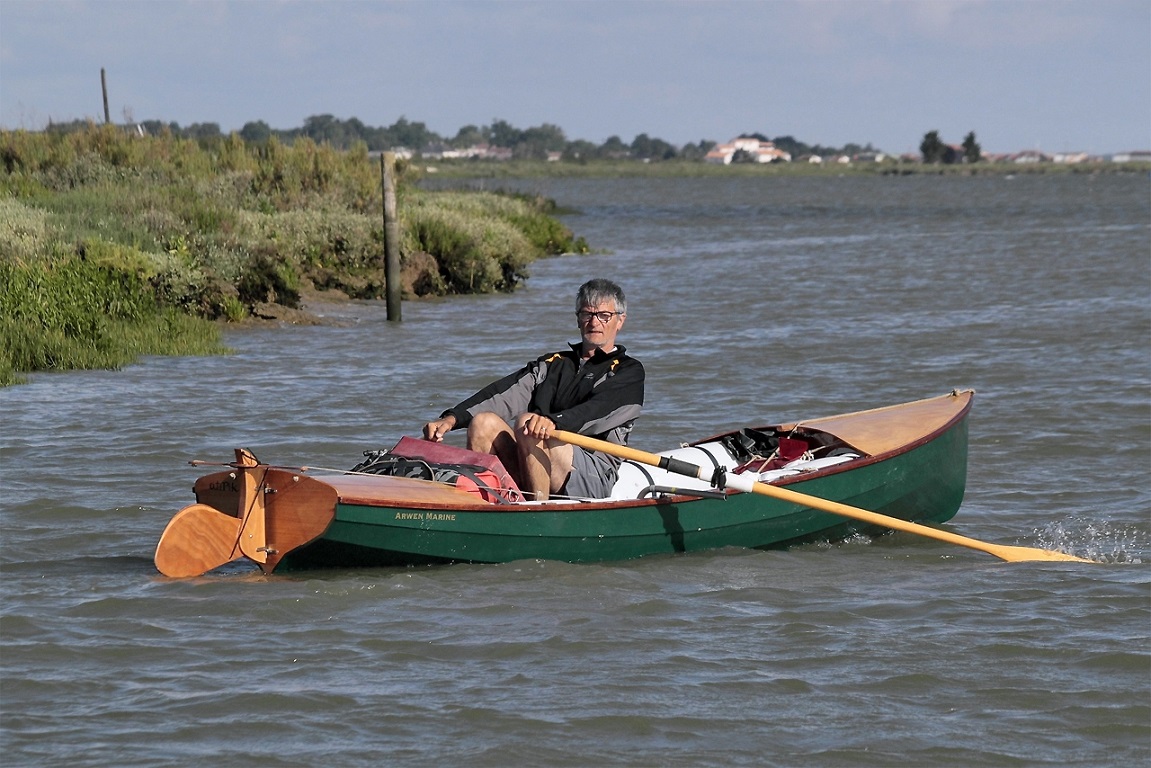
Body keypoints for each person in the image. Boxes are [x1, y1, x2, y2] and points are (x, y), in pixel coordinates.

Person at [423, 278, 644, 501]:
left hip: (593, 474)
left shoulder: (629, 371)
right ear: (578, 319)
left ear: (620, 321)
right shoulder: (552, 364)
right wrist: (451, 419)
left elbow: (597, 411)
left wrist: (554, 422)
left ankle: (538, 511)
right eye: (587, 314)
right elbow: (502, 395)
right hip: (539, 451)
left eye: (604, 316)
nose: (594, 323)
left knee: (528, 423)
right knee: (482, 423)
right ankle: (487, 504)